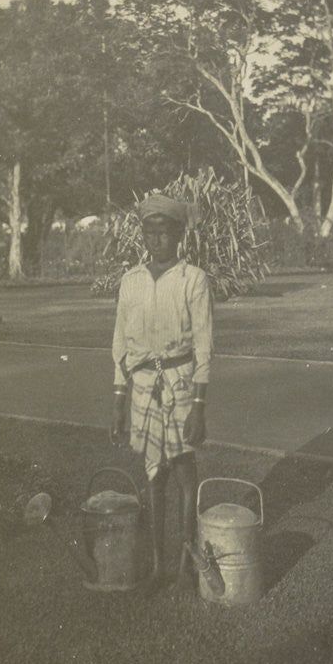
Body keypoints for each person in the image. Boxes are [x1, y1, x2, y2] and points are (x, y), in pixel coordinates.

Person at [110, 193, 213, 594]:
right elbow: (120, 345)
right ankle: (157, 567)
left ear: (179, 234)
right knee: (154, 478)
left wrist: (199, 407)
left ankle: (188, 565)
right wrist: (119, 401)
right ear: (143, 235)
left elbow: (204, 345)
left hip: (181, 386)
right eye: (150, 233)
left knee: (186, 475)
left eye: (164, 232)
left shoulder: (193, 280)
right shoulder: (131, 281)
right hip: (141, 389)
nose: (156, 240)